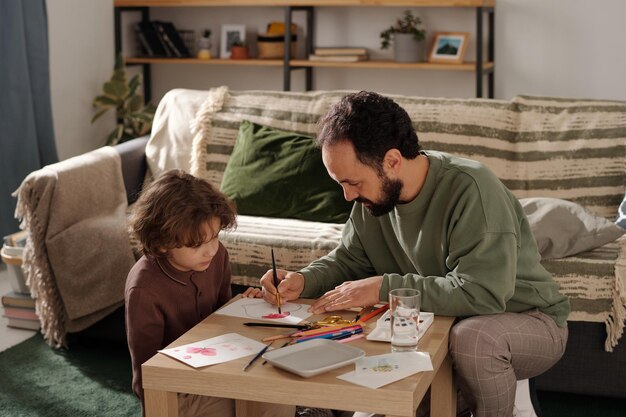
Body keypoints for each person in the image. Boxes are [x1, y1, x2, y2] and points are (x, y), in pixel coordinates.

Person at [259, 92, 570, 417]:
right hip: (440, 326)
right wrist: (304, 279)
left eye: (353, 182)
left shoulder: (473, 189)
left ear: (392, 160)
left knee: (474, 339)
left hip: (525, 320)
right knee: (362, 334)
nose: (348, 195)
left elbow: (484, 294)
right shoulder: (371, 199)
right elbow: (349, 259)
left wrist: (382, 287)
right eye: (341, 184)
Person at [125, 169, 295, 417]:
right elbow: (147, 373)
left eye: (215, 237)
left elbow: (221, 322)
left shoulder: (217, 256)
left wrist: (241, 307)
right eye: (196, 245)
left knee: (277, 395)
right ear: (162, 243)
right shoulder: (144, 289)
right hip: (178, 391)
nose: (211, 250)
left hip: (223, 369)